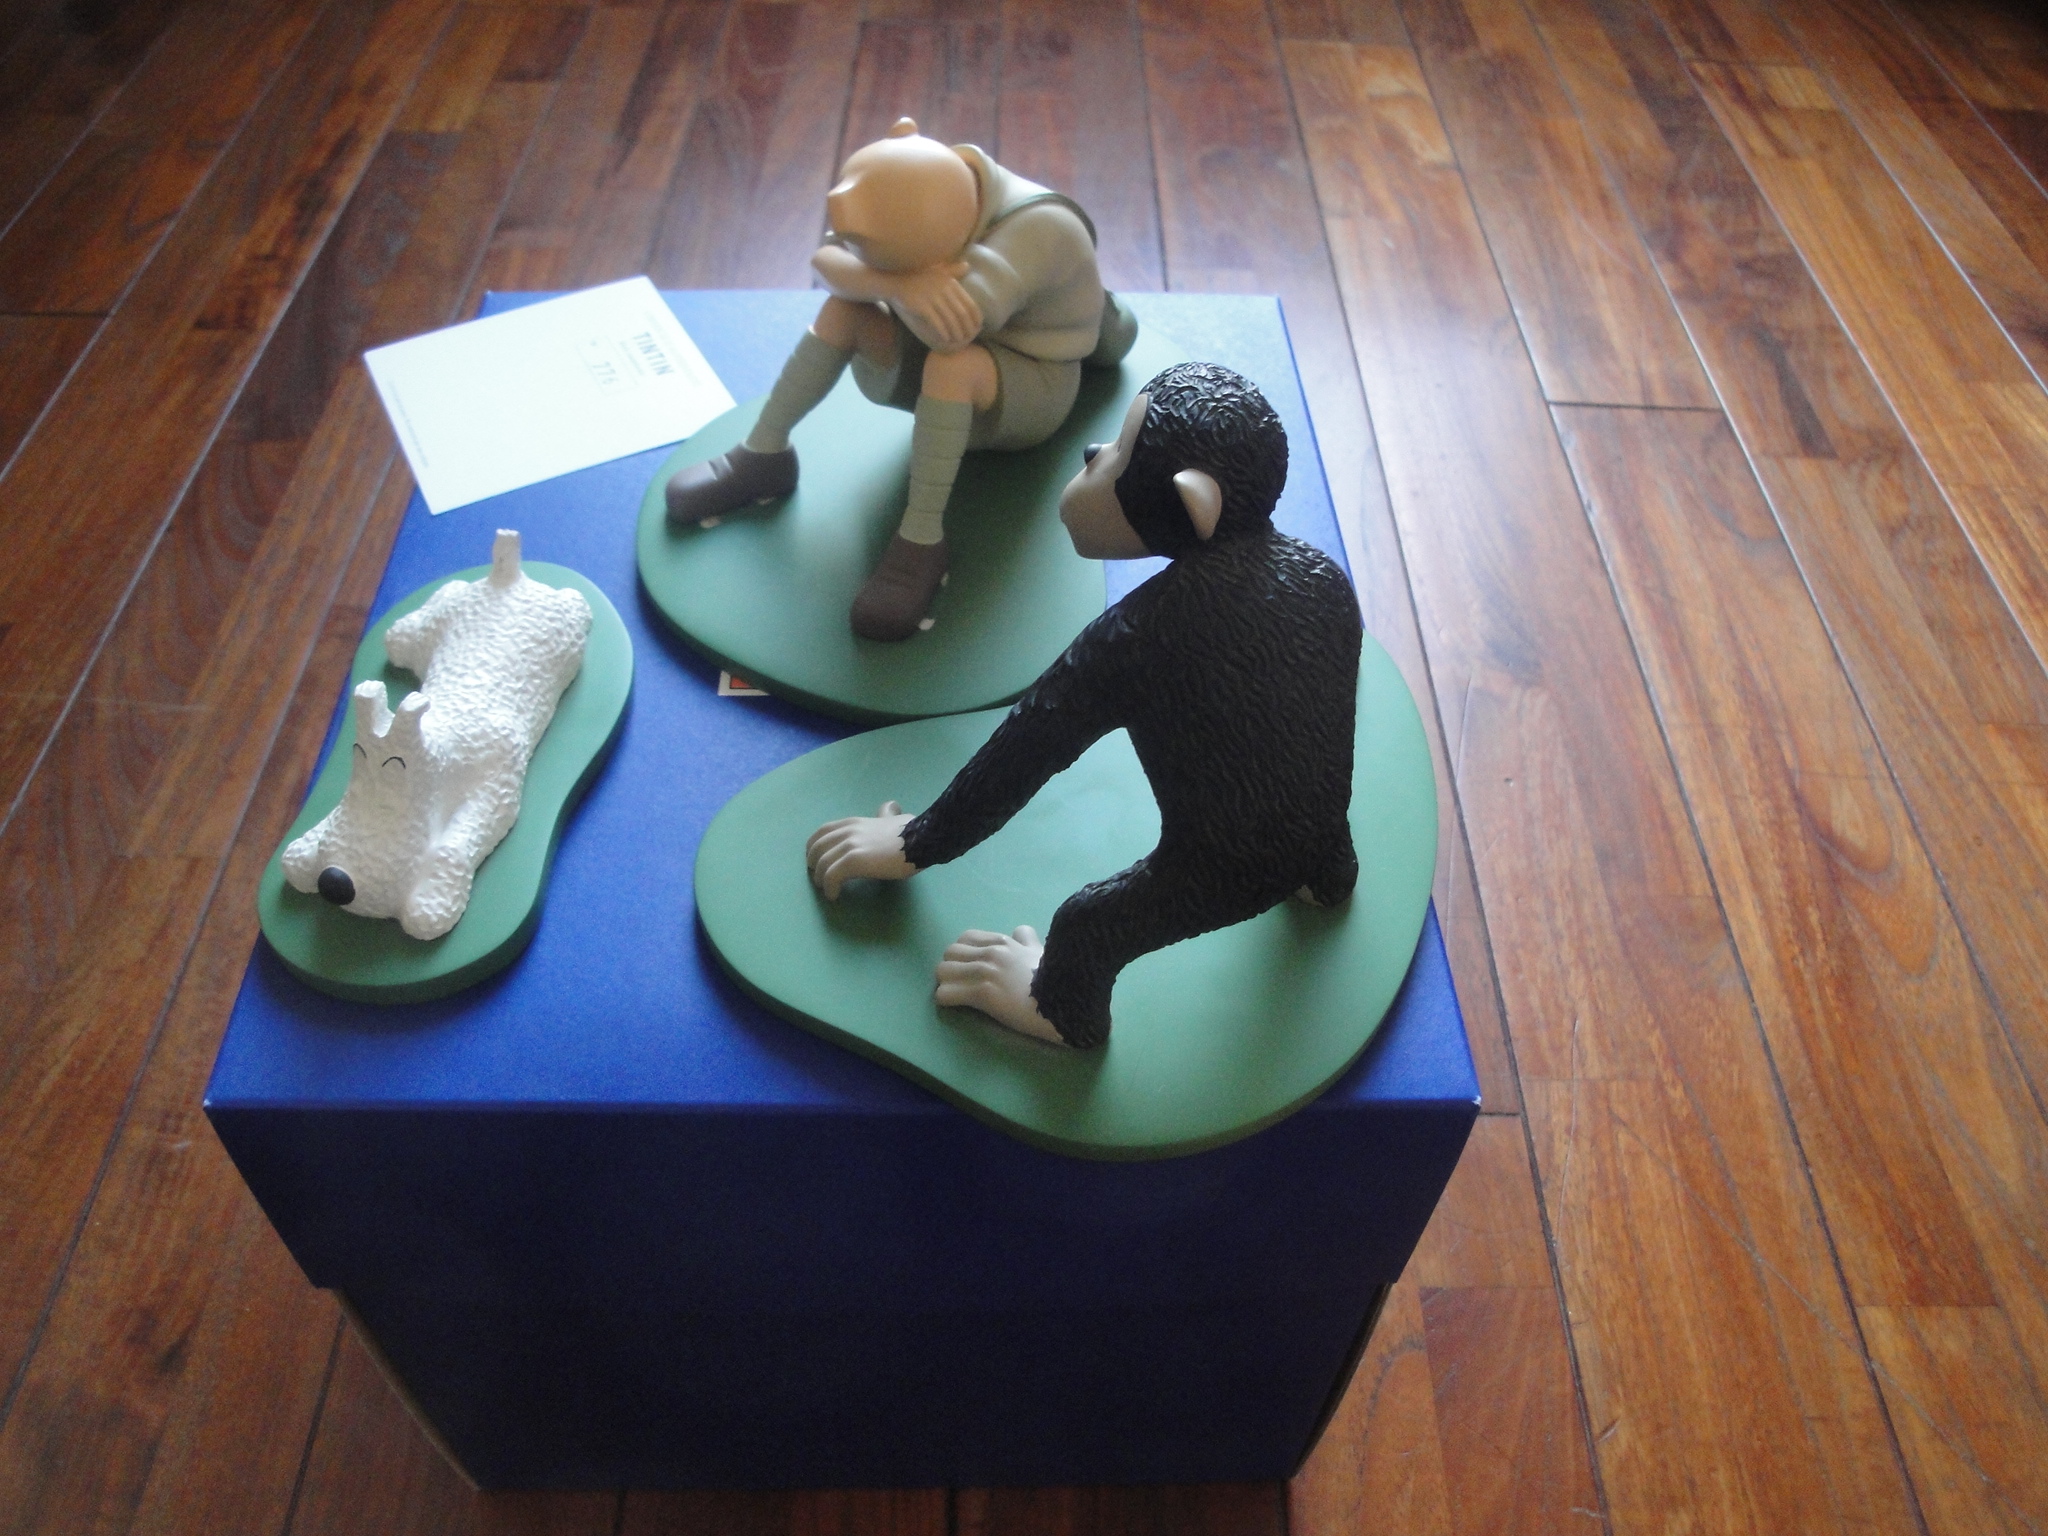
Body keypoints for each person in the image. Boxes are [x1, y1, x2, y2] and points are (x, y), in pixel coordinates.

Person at [666, 117, 1136, 641]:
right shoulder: (915, 187)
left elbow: (950, 332)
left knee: (951, 366)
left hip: (1034, 381)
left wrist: (886, 283)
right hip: (943, 342)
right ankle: (763, 456)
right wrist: (898, 285)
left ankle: (920, 540)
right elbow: (827, 260)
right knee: (843, 311)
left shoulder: (1039, 230)